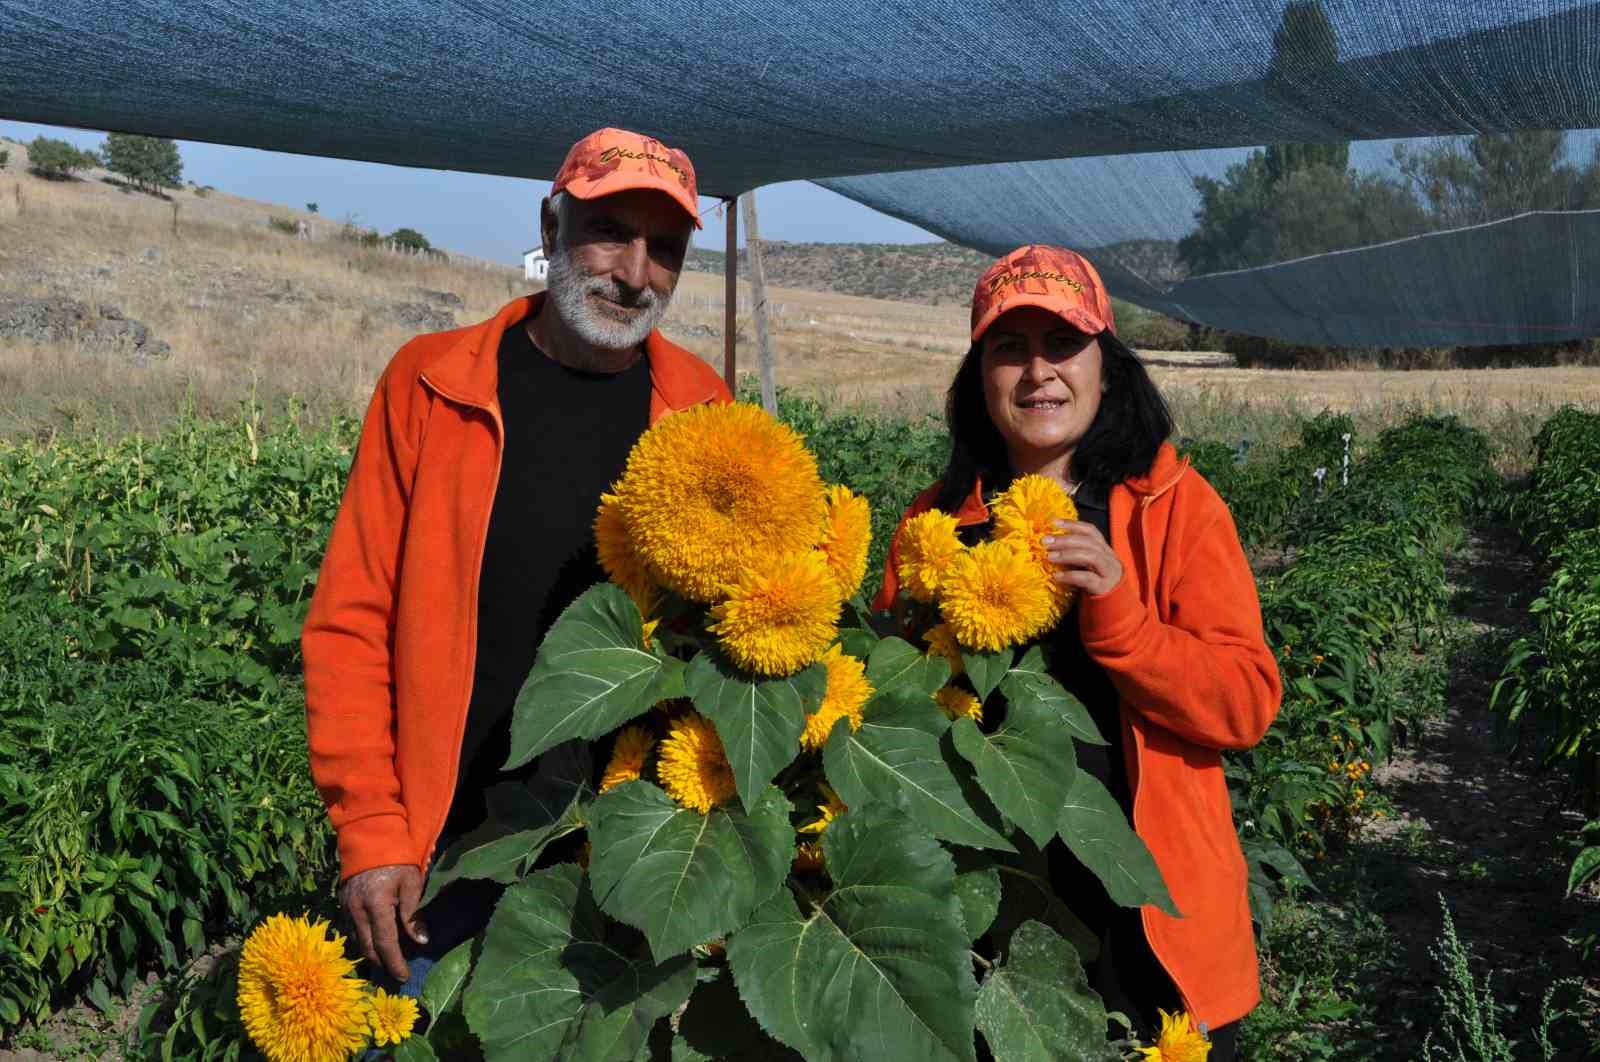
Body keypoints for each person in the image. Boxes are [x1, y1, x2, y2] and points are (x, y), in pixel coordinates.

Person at [301, 126, 730, 1000]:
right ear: (553, 222)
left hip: (617, 853)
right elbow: (351, 621)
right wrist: (374, 829)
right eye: (611, 230)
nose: (635, 273)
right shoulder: (433, 383)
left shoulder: (702, 407)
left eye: (666, 249)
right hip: (442, 850)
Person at [874, 245, 1281, 1058]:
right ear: (978, 377)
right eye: (1009, 348)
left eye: (1063, 344)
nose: (1038, 373)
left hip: (1148, 917)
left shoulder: (1174, 508)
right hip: (990, 916)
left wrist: (1124, 619)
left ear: (1107, 365)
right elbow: (887, 709)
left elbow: (1245, 702)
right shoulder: (936, 522)